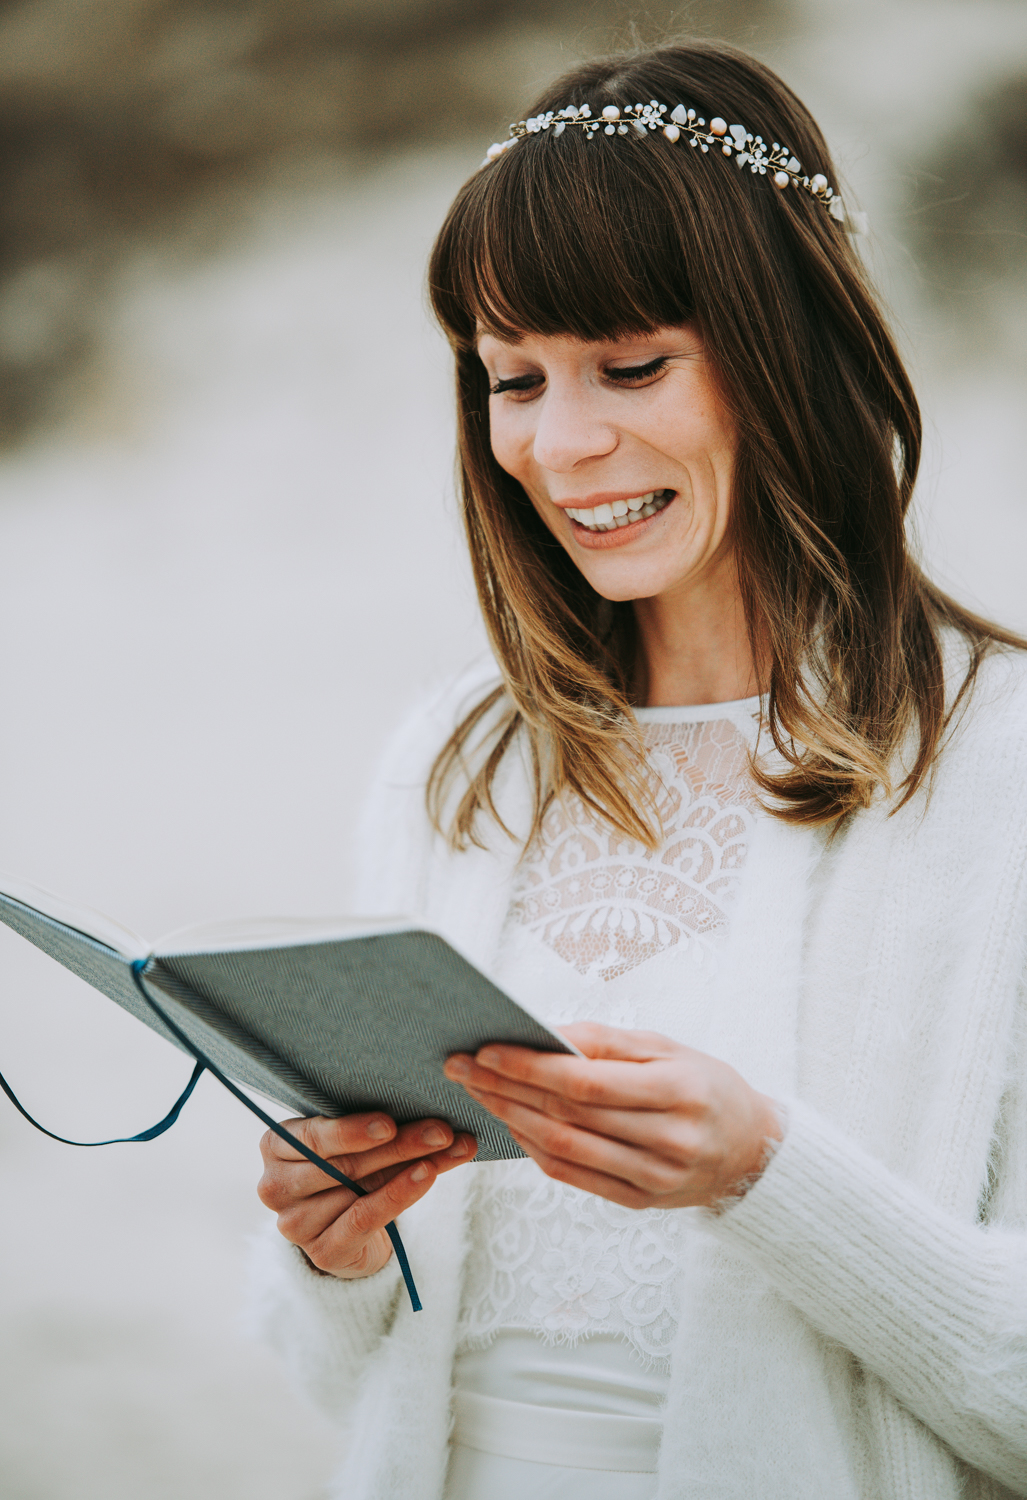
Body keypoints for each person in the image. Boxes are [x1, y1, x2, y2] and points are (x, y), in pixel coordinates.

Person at [248, 38, 1027, 1500]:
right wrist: (333, 1247)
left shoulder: (1004, 772)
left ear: (790, 345)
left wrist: (765, 1175)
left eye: (631, 366)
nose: (562, 443)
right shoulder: (454, 766)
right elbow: (333, 1376)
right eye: (512, 380)